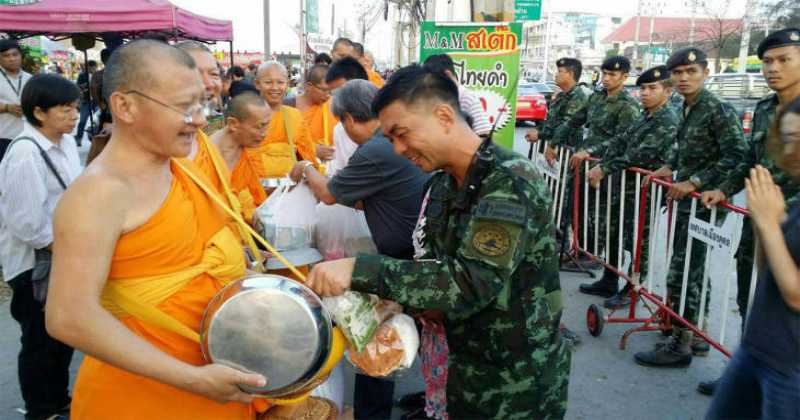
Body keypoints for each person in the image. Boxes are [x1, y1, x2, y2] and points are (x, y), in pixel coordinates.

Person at [306, 65, 571, 419]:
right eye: (390, 139)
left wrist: (362, 270)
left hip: (518, 380)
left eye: (401, 134)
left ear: (444, 115)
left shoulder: (509, 181)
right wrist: (390, 304)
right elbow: (432, 269)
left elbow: (469, 282)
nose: (398, 149)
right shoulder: (444, 184)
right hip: (467, 369)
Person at [43, 40, 273, 420]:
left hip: (216, 376)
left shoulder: (180, 169)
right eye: (184, 107)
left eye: (201, 105)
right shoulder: (100, 193)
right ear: (125, 106)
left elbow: (199, 264)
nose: (200, 120)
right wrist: (193, 380)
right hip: (143, 396)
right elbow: (69, 316)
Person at [290, 79, 431, 420]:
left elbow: (328, 194)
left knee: (375, 336)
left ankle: (374, 413)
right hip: (418, 250)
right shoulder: (391, 144)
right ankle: (425, 402)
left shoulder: (376, 149)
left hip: (403, 259)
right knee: (409, 336)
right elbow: (371, 199)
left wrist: (307, 167)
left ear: (350, 120)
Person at [697, 28, 800, 395]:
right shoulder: (763, 110)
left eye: (784, 59)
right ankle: (749, 374)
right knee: (752, 298)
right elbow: (747, 161)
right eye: (768, 61)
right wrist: (722, 188)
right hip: (760, 227)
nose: (773, 68)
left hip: (795, 228)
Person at [634, 47, 747, 368]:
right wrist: (671, 166)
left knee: (683, 270)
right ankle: (696, 333)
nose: (683, 78)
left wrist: (695, 181)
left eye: (691, 72)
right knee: (692, 268)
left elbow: (737, 156)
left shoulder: (718, 109)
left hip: (707, 200)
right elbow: (690, 150)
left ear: (705, 73)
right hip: (692, 199)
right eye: (678, 73)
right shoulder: (688, 107)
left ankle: (680, 341)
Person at [706, 99, 800, 419]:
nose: (793, 151)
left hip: (791, 366)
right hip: (758, 348)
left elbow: (797, 295)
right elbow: (767, 271)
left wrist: (771, 226)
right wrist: (762, 225)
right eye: (788, 140)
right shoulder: (795, 199)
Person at [0, 73, 80, 420]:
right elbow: (27, 223)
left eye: (75, 108)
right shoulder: (24, 154)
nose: (74, 115)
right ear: (39, 112)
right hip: (35, 264)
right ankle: (40, 409)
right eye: (64, 109)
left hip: (61, 257)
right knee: (39, 341)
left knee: (62, 336)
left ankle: (59, 400)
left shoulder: (66, 145)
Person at [585, 65, 680, 308]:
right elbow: (621, 140)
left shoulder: (667, 119)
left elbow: (641, 154)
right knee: (615, 233)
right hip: (627, 187)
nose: (645, 93)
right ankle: (610, 278)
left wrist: (604, 168)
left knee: (639, 240)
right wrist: (604, 162)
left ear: (667, 91)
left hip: (646, 191)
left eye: (652, 88)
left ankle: (633, 287)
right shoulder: (645, 115)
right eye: (643, 88)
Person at [559, 56, 640, 299]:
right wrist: (552, 142)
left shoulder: (628, 106)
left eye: (613, 75)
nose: (606, 78)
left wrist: (591, 152)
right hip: (589, 170)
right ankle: (607, 277)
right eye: (604, 73)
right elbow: (575, 120)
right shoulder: (596, 97)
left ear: (625, 77)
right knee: (596, 224)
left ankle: (616, 279)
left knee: (612, 228)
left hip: (611, 174)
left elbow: (624, 139)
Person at [211, 91, 272, 219]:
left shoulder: (249, 149)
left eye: (267, 126)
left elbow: (257, 196)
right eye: (259, 127)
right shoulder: (206, 153)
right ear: (233, 124)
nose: (264, 134)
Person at [252, 60, 318, 179]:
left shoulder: (295, 116)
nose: (275, 88)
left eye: (280, 82)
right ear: (257, 84)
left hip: (288, 187)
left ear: (287, 84)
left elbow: (308, 154)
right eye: (268, 82)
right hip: (252, 187)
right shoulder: (247, 116)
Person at [423, 53, 492, 136]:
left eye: (435, 82)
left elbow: (484, 134)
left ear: (447, 74)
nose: (433, 87)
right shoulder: (440, 98)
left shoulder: (466, 97)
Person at [293, 64, 337, 162]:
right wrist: (312, 149)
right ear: (309, 86)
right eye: (324, 90)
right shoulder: (290, 106)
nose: (328, 95)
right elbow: (283, 142)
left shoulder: (333, 106)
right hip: (298, 167)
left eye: (330, 91)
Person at [0, 39, 32, 159]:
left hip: (27, 136)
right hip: (3, 136)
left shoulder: (30, 79)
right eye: (6, 56)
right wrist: (7, 107)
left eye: (15, 54)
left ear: (21, 56)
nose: (12, 58)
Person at [75, 60, 97, 145]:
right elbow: (78, 86)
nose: (93, 69)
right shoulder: (82, 75)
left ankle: (98, 137)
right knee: (82, 120)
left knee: (99, 118)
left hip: (96, 101)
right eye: (91, 67)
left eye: (94, 67)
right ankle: (79, 138)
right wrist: (85, 86)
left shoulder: (98, 75)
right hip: (86, 101)